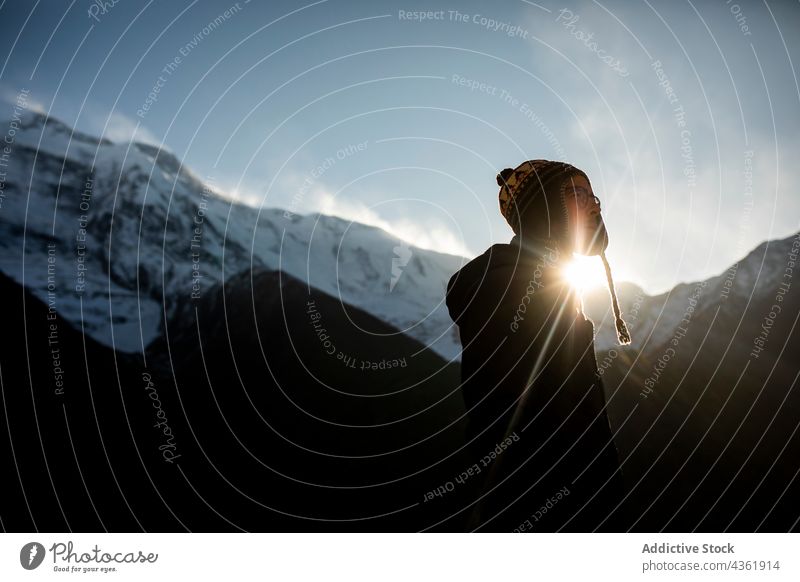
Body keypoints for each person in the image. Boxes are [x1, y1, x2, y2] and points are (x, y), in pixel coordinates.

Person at [445, 159, 631, 532]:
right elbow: (507, 408)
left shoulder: (554, 283)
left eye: (593, 195)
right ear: (544, 208)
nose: (594, 204)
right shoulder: (504, 282)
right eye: (577, 194)